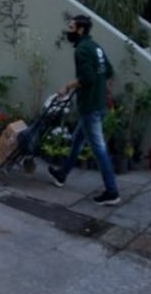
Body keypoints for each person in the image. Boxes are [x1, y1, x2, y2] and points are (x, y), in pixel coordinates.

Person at [48, 14, 120, 205]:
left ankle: (112, 192)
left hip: (90, 107)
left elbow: (87, 78)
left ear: (80, 30)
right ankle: (62, 175)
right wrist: (104, 93)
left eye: (71, 28)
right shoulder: (95, 47)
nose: (68, 31)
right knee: (77, 141)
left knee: (99, 149)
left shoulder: (81, 50)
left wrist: (67, 86)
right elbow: (109, 72)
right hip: (99, 104)